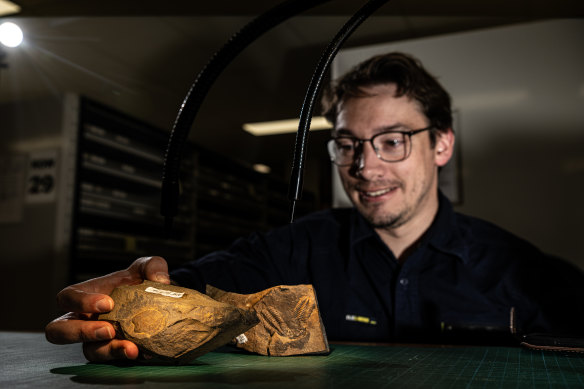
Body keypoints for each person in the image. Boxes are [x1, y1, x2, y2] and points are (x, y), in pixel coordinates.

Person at [45, 52, 584, 362]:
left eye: (392, 140)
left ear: (441, 144)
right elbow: (188, 288)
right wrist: (132, 301)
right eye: (347, 145)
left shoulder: (520, 270)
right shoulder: (296, 247)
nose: (364, 167)